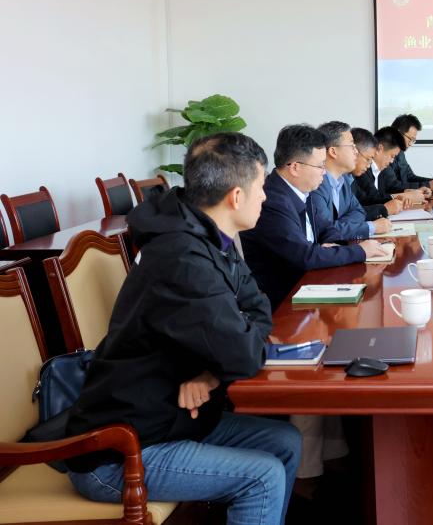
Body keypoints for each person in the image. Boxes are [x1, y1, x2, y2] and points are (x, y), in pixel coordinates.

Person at [65, 132, 302, 525]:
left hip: (170, 419)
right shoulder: (182, 257)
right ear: (236, 197)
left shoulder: (210, 235)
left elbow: (259, 305)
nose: (266, 197)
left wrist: (210, 373)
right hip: (121, 450)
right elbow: (244, 354)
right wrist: (221, 367)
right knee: (263, 476)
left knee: (284, 441)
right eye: (262, 187)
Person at [240, 124, 385, 309]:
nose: (324, 172)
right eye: (320, 166)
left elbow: (326, 229)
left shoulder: (301, 189)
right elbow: (305, 256)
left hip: (307, 285)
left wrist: (327, 247)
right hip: (283, 301)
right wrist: (360, 251)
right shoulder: (272, 200)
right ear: (295, 168)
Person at [310, 121, 391, 240]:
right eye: (351, 146)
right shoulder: (315, 184)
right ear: (333, 151)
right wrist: (371, 227)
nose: (356, 151)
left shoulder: (342, 181)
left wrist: (338, 225)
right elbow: (326, 232)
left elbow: (359, 211)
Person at [380, 113, 433, 194]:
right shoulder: (384, 153)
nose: (410, 144)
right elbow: (393, 186)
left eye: (413, 141)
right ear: (398, 133)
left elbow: (410, 177)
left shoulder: (401, 153)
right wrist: (428, 185)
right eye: (410, 139)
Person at [353, 126, 421, 209]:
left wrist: (406, 192)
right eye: (392, 156)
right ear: (380, 149)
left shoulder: (383, 170)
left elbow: (393, 186)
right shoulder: (362, 169)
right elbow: (372, 198)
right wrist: (405, 195)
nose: (392, 161)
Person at [350, 127, 404, 221]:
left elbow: (365, 200)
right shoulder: (358, 173)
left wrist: (397, 199)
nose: (369, 164)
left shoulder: (348, 177)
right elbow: (347, 217)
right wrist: (384, 209)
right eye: (368, 159)